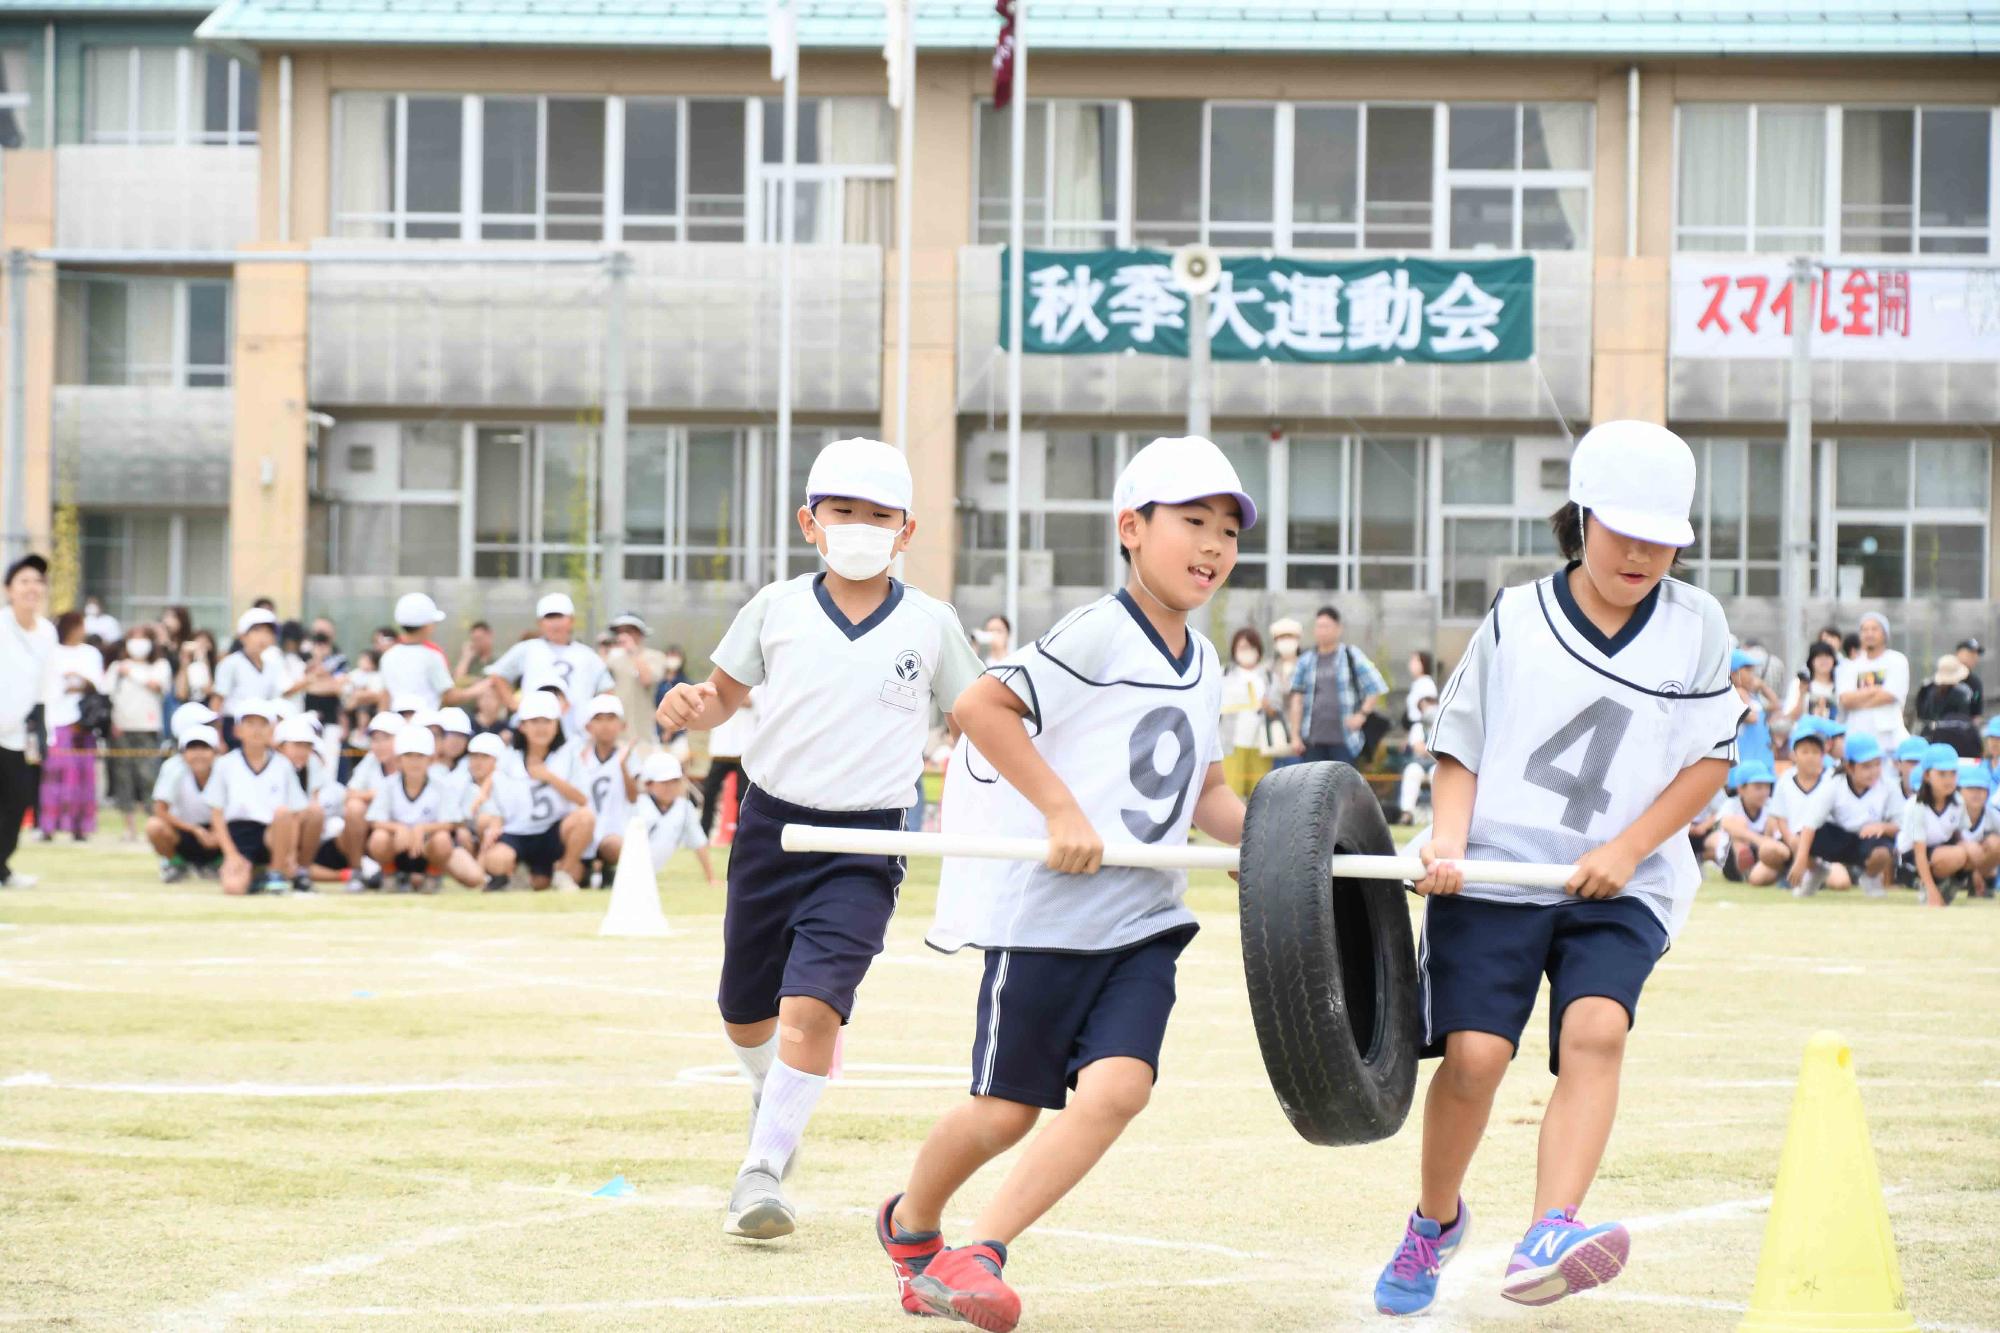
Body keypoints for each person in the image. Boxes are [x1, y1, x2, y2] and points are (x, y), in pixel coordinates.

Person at [880, 435, 1250, 1328]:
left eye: (1229, 532)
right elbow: (979, 706)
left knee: (1120, 1088)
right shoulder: (1097, 630)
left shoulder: (1206, 665)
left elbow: (1203, 790)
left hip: (1146, 922)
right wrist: (1060, 809)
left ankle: (981, 1252)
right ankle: (911, 1227)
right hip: (1048, 920)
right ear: (1132, 527)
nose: (1212, 546)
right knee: (1004, 1112)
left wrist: (1282, 844)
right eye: (1192, 522)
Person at [1372, 421, 1741, 1317]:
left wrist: (1625, 850)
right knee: (1473, 1057)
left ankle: (1551, 1230)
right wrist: (1450, 844)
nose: (1643, 554)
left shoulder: (1698, 627)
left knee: (1598, 1031)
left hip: (1624, 882)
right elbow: (1459, 743)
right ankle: (1435, 1220)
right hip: (1500, 872)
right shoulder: (1516, 615)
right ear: (1580, 519)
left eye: (1663, 539)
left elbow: (1709, 758)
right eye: (1624, 533)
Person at [654, 435, 982, 1244]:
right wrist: (695, 705)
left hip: (868, 840)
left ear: (906, 530)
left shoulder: (932, 624)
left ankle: (761, 1169)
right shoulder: (776, 607)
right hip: (772, 827)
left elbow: (979, 716)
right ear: (811, 521)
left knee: (814, 1007)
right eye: (844, 511)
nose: (861, 527)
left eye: (880, 515)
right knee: (744, 1008)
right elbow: (725, 694)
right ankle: (771, 1097)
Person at [482, 690, 594, 891]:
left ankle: (563, 873)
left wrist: (548, 776)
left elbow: (582, 799)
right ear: (522, 726)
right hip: (518, 831)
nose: (541, 728)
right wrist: (495, 822)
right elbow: (495, 799)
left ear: (557, 725)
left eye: (547, 721)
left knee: (585, 818)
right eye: (534, 721)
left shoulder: (568, 756)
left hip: (553, 831)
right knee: (495, 860)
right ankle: (517, 873)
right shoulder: (509, 758)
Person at [206, 701, 308, 896]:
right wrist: (231, 855)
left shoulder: (283, 765)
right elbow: (217, 815)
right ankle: (256, 875)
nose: (256, 730)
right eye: (249, 723)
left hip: (271, 834)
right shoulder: (225, 764)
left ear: (272, 730)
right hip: (238, 835)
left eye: (263, 724)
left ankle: (275, 873)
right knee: (233, 888)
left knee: (283, 812)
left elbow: (295, 814)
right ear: (237, 730)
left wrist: (291, 853)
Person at [367, 726, 484, 893]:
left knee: (473, 876)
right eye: (409, 756)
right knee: (379, 838)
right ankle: (390, 875)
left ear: (430, 760)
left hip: (430, 848)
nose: (414, 762)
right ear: (399, 760)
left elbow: (451, 822)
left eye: (420, 756)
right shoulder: (388, 785)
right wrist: (399, 828)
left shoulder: (442, 786)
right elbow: (375, 820)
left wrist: (422, 829)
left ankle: (432, 876)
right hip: (397, 847)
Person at [484, 593, 613, 740]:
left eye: (560, 617)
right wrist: (514, 704)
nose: (555, 623)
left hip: (578, 736)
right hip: (534, 736)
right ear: (539, 623)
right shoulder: (528, 649)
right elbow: (497, 674)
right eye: (549, 617)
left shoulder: (588, 656)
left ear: (571, 620)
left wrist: (596, 721)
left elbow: (607, 690)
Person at [0, 555, 54, 888]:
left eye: (38, 581)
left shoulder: (47, 632)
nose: (32, 588)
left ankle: (3, 867)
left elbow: (43, 687)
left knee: (18, 803)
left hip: (19, 734)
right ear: (9, 590)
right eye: (24, 581)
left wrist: (41, 731)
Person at [1790, 731, 1898, 897]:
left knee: (1882, 852)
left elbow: (1900, 825)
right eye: (1866, 766)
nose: (1874, 771)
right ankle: (1816, 872)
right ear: (1849, 766)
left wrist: (1882, 826)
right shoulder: (1833, 785)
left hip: (1868, 839)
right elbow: (1810, 823)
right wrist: (1801, 860)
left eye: (1877, 764)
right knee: (1799, 839)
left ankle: (1871, 878)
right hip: (1836, 836)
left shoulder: (1888, 786)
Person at [1286, 606, 1387, 764]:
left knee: (1343, 786)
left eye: (1326, 626)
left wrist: (1362, 714)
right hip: (1312, 740)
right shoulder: (1306, 660)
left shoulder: (1351, 655)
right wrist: (1295, 736)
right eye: (1319, 626)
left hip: (1345, 740)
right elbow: (1296, 700)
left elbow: (1376, 686)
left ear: (1338, 629)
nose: (1322, 631)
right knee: (1313, 787)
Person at [40, 610, 104, 842]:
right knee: (56, 775)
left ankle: (80, 826)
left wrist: (82, 681)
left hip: (84, 721)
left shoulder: (90, 653)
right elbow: (47, 685)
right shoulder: (52, 653)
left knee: (83, 775)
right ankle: (49, 825)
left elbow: (99, 684)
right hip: (57, 720)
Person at [107, 628, 171, 841]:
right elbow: (106, 691)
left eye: (142, 638)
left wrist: (131, 673)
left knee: (149, 777)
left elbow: (157, 686)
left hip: (148, 728)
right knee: (123, 777)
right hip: (121, 727)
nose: (138, 643)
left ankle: (153, 825)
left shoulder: (160, 665)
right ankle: (129, 826)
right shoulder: (117, 666)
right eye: (133, 638)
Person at [575, 693, 640, 885]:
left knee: (615, 846)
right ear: (589, 726)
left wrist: (622, 766)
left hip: (613, 829)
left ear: (622, 725)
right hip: (583, 829)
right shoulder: (579, 756)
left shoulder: (628, 756)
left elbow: (633, 796)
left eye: (611, 719)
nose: (605, 725)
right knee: (576, 876)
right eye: (599, 719)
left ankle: (607, 869)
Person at [212, 609, 304, 743]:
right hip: (234, 727)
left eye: (268, 632)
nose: (263, 637)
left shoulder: (273, 665)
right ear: (242, 636)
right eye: (257, 631)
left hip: (262, 727)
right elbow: (217, 702)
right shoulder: (230, 663)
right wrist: (218, 737)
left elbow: (275, 700)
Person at [146, 725, 224, 882]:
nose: (198, 754)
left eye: (204, 747)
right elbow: (160, 810)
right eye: (192, 748)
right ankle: (177, 864)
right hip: (184, 831)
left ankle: (219, 864)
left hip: (219, 832)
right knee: (154, 826)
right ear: (183, 753)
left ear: (215, 752)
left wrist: (217, 832)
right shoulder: (173, 769)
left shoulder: (226, 769)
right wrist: (195, 830)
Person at [1898, 743, 1971, 907]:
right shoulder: (1918, 806)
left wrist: (1973, 855)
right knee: (1957, 854)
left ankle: (1949, 888)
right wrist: (1931, 890)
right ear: (1926, 776)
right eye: (1942, 774)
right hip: (1913, 859)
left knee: (1974, 850)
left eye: (1953, 773)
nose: (1949, 779)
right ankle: (1928, 888)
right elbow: (1919, 851)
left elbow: (1962, 835)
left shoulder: (1958, 801)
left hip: (1942, 849)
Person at [633, 751, 715, 886]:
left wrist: (711, 878)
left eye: (674, 782)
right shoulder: (637, 805)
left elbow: (699, 843)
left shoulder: (685, 808)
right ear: (649, 784)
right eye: (664, 783)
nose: (670, 787)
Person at [1773, 719, 1836, 894]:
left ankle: (1812, 872)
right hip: (1790, 841)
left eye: (1816, 752)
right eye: (1805, 751)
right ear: (1794, 755)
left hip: (1821, 841)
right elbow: (1780, 817)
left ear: (1823, 755)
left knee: (1840, 882)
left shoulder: (1832, 778)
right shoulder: (1785, 779)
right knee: (1762, 867)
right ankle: (1794, 873)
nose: (1811, 756)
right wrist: (1790, 838)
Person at [1835, 612, 1908, 755]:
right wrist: (1874, 690)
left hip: (1888, 736)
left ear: (1884, 634)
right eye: (1865, 630)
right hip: (1856, 732)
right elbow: (1845, 700)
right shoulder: (1850, 666)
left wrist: (1858, 699)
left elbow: (1890, 695)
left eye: (1874, 629)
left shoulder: (1897, 660)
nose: (1869, 634)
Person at [1219, 627, 1272, 799]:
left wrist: (1269, 706)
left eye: (1250, 647)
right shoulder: (1224, 673)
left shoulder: (1268, 675)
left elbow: (1279, 705)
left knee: (1261, 793)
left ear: (1258, 649)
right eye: (1241, 647)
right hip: (1232, 742)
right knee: (1231, 792)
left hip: (1261, 743)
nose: (1246, 652)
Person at [1717, 762, 1787, 886]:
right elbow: (1726, 823)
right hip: (1732, 861)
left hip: (1763, 858)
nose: (1764, 792)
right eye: (1758, 787)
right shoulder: (1732, 805)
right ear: (1741, 789)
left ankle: (1767, 874)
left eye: (1767, 786)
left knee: (1773, 822)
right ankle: (1745, 868)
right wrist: (1761, 841)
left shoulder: (1771, 805)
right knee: (1739, 824)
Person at [605, 614, 669, 747]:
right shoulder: (613, 658)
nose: (623, 636)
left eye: (629, 631)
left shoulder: (655, 656)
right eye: (620, 632)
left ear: (640, 633)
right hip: (618, 730)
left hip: (643, 730)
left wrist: (633, 651)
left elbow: (647, 679)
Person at [700, 688, 754, 835]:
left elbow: (749, 702)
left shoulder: (760, 684)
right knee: (709, 792)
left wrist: (732, 696)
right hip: (721, 748)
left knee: (743, 795)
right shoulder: (721, 680)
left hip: (744, 749)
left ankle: (740, 834)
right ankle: (703, 833)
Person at [1914, 653, 1980, 756]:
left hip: (1928, 735)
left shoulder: (1926, 688)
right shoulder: (1962, 693)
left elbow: (1920, 713)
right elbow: (1964, 717)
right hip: (1955, 738)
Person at [1954, 762, 1999, 896]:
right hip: (1954, 865)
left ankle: (1985, 882)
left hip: (1979, 866)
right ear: (1959, 790)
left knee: (1995, 843)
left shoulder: (1992, 815)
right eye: (1970, 788)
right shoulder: (1952, 812)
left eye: (1981, 789)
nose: (1976, 793)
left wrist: (1977, 871)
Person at [1731, 649, 1779, 773]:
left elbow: (1775, 705)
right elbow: (1752, 718)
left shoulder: (1751, 696)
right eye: (1747, 670)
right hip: (1746, 764)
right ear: (1733, 673)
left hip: (1762, 760)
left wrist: (1763, 686)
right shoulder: (1734, 695)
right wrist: (1742, 690)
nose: (1752, 675)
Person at [1264, 616, 1303, 766]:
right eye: (1281, 638)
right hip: (1277, 733)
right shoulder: (1269, 668)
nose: (1285, 641)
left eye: (1289, 637)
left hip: (1303, 734)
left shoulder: (1306, 664)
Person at [1783, 641, 1841, 728]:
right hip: (1806, 737)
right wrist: (1802, 695)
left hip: (1834, 737)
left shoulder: (1841, 685)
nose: (1824, 660)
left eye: (1827, 656)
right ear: (1811, 661)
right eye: (1819, 656)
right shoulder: (1799, 684)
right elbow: (1790, 718)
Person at [1405, 650, 1439, 724]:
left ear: (1423, 664)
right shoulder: (1417, 683)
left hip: (1423, 727)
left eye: (1415, 660)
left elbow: (1430, 710)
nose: (1411, 664)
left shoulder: (1426, 684)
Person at [1956, 639, 1985, 716]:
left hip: (1966, 725)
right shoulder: (1945, 677)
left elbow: (1976, 710)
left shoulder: (1975, 682)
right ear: (1959, 654)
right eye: (1971, 653)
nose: (1975, 657)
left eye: (1977, 654)